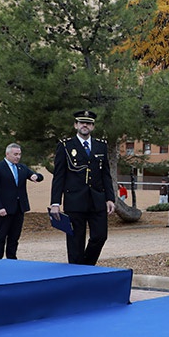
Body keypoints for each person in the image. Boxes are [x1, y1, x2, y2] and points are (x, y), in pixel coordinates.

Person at [49, 110, 116, 265]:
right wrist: (55, 202)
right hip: (75, 200)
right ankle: (76, 272)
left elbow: (106, 175)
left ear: (93, 126)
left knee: (100, 236)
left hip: (97, 199)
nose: (85, 125)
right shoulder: (65, 146)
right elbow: (59, 176)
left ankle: (86, 266)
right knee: (75, 241)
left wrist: (110, 198)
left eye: (88, 123)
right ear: (76, 125)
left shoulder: (101, 146)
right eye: (82, 122)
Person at [0, 143, 44, 260]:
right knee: (1, 235)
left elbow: (38, 176)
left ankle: (12, 258)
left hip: (19, 207)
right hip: (4, 209)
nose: (18, 157)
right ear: (7, 154)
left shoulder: (22, 168)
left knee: (14, 236)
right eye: (15, 154)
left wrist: (36, 176)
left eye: (19, 154)